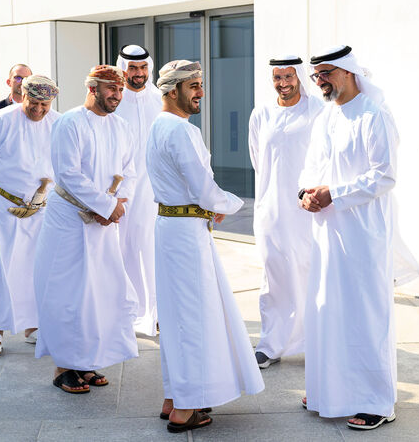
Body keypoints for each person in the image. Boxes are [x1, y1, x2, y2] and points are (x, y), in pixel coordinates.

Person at [147, 60, 265, 433]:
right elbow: (204, 188)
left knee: (176, 316)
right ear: (171, 91)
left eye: (200, 85)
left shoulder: (157, 126)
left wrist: (209, 205)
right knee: (193, 319)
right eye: (193, 86)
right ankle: (186, 408)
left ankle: (173, 398)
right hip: (184, 235)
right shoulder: (180, 131)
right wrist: (233, 204)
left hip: (171, 227)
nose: (200, 92)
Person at [299, 45, 401, 430]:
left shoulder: (375, 116)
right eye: (317, 76)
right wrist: (304, 193)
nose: (321, 81)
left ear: (348, 72)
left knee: (366, 315)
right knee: (328, 311)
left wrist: (333, 195)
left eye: (326, 73)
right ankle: (329, 391)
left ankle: (378, 401)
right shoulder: (328, 117)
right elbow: (311, 166)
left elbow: (385, 175)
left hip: (364, 234)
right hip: (327, 231)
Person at [33, 65, 138, 394]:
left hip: (104, 224)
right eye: (111, 90)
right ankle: (63, 366)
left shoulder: (121, 126)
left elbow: (130, 171)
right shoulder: (70, 122)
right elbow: (68, 174)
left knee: (99, 294)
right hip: (68, 222)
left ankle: (86, 360)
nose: (117, 96)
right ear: (92, 89)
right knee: (69, 295)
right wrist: (106, 207)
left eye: (120, 91)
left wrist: (118, 205)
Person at [0, 75, 60, 355]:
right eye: (33, 103)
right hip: (5, 205)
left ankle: (33, 326)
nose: (38, 110)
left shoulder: (58, 122)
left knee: (39, 263)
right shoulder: (0, 120)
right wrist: (5, 191)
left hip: (43, 207)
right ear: (22, 95)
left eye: (44, 104)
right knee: (6, 259)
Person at [248, 55, 324, 369]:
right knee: (274, 277)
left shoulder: (318, 111)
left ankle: (317, 342)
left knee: (311, 276)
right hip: (270, 212)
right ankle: (271, 344)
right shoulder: (261, 114)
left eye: (288, 77)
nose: (283, 83)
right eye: (278, 78)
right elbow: (257, 159)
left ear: (300, 77)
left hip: (306, 213)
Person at [115, 45, 163, 336]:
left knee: (151, 251)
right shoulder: (113, 99)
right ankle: (123, 312)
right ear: (123, 69)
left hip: (153, 190)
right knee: (118, 251)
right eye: (132, 68)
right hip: (118, 190)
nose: (138, 74)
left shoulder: (160, 98)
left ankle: (155, 314)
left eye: (143, 68)